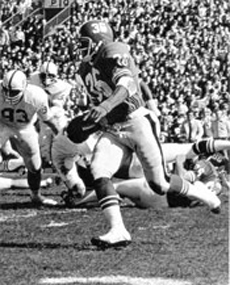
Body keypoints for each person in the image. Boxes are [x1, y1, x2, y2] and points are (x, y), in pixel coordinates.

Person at [69, 20, 221, 248]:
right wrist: (91, 123)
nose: (80, 48)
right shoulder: (84, 70)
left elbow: (127, 85)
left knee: (159, 184)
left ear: (98, 41)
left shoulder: (113, 51)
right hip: (112, 128)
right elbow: (100, 105)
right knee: (99, 170)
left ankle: (199, 192)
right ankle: (118, 230)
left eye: (84, 43)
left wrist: (104, 107)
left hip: (136, 121)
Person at [0, 69, 61, 206]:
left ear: (24, 87)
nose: (9, 95)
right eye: (6, 90)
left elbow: (49, 119)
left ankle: (36, 195)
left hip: (25, 128)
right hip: (2, 124)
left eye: (14, 92)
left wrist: (61, 136)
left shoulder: (36, 95)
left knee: (35, 165)